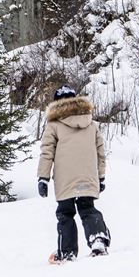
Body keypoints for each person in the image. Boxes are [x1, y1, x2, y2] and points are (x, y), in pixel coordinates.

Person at [37, 85, 110, 262]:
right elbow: (100, 151)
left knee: (65, 213)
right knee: (87, 208)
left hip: (65, 178)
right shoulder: (90, 123)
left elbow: (47, 152)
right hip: (88, 175)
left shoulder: (54, 125)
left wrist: (43, 178)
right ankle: (98, 238)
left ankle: (67, 251)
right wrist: (101, 176)